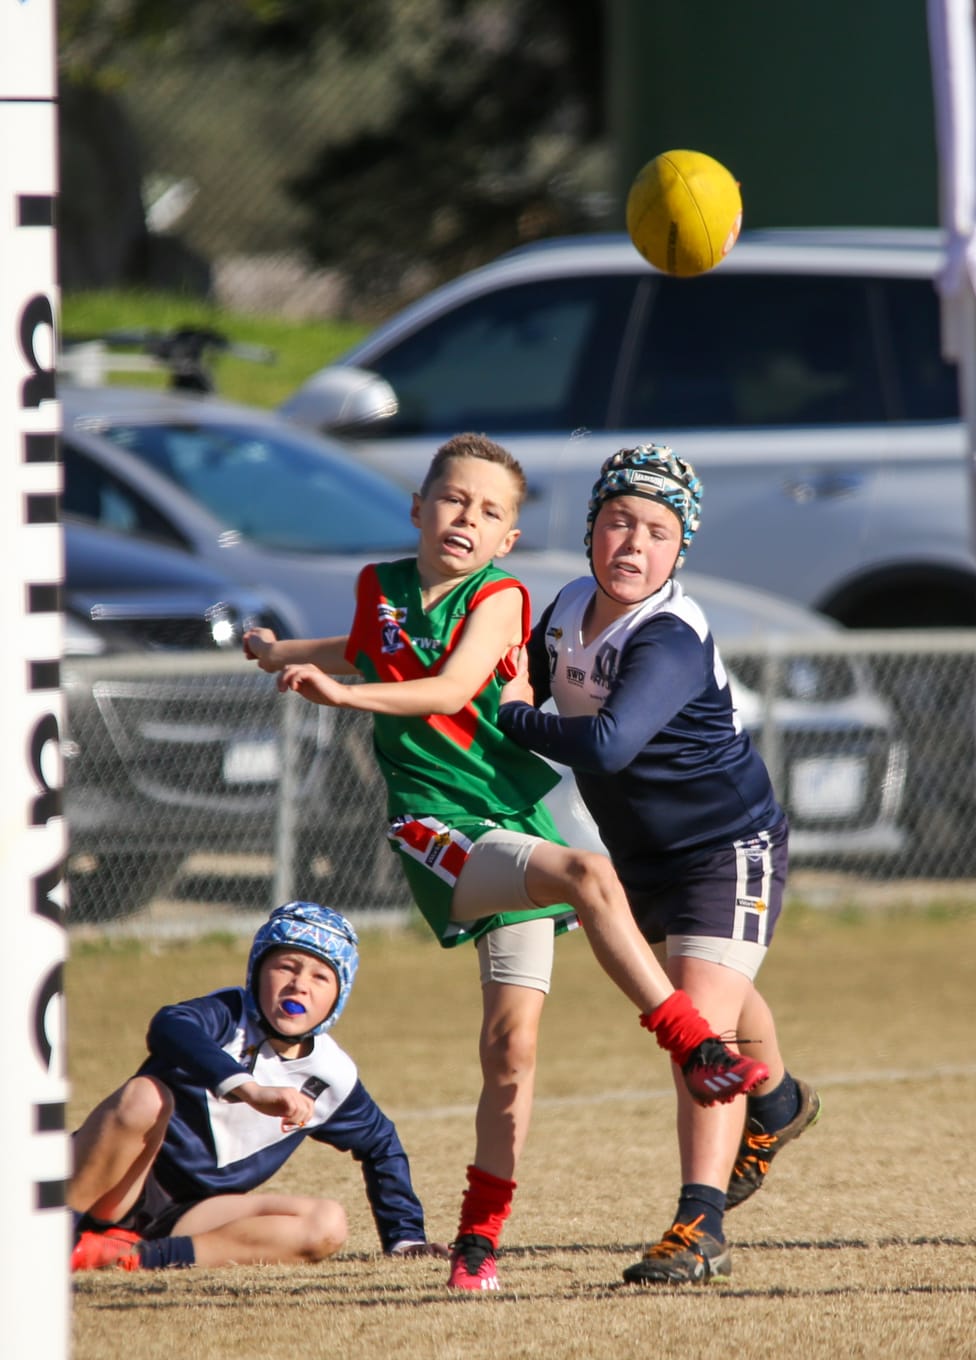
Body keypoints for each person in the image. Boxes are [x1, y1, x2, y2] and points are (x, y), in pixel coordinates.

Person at [243, 432, 767, 1295]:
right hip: (435, 826)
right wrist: (286, 656)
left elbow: (449, 689)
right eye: (453, 500)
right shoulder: (382, 589)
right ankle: (694, 1043)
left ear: (508, 540)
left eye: (490, 512)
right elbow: (372, 651)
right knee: (591, 876)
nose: (467, 518)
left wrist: (343, 698)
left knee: (510, 1051)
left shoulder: (503, 598)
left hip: (509, 822)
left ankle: (477, 1248)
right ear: (417, 508)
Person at [496, 443, 821, 1287]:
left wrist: (515, 718)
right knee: (707, 986)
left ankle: (698, 1228)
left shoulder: (670, 632)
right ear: (590, 531)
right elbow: (504, 685)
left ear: (682, 551)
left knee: (697, 1030)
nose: (633, 546)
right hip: (640, 860)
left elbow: (608, 744)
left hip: (726, 847)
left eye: (656, 532)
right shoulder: (566, 607)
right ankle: (779, 1104)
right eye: (618, 523)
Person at [69, 901, 449, 1272]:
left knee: (327, 1223)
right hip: (116, 1187)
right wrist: (250, 1091)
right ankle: (53, 1234)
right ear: (256, 972)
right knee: (145, 1097)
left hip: (189, 1213)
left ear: (338, 997)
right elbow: (169, 1026)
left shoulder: (331, 1074)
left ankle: (131, 1255)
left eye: (321, 977)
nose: (299, 986)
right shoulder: (226, 1016)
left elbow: (382, 1145)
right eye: (286, 967)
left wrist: (405, 1237)